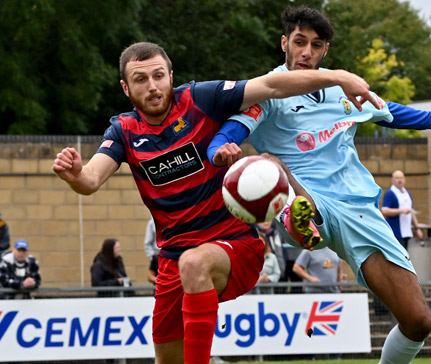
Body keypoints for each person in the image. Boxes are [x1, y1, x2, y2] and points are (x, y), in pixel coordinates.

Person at [52, 42, 381, 364]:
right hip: (172, 260)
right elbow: (91, 180)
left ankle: (288, 210)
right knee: (168, 358)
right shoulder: (124, 130)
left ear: (171, 75)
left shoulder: (200, 99)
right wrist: (75, 174)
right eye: (141, 80)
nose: (152, 87)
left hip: (235, 246)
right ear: (126, 87)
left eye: (159, 76)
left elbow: (271, 85)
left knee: (196, 262)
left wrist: (337, 76)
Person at [208, 6, 431, 363]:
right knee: (269, 165)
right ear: (284, 44)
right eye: (299, 42)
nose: (306, 51)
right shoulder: (269, 91)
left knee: (419, 321)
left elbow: (388, 111)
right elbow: (228, 133)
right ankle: (297, 216)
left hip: (359, 210)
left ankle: (305, 218)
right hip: (305, 199)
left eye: (316, 45)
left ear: (325, 51)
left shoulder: (341, 91)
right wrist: (219, 150)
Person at [381, 170, 423, 250]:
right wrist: (401, 211)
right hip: (396, 232)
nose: (399, 180)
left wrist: (417, 228)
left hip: (407, 231)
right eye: (397, 178)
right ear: (392, 180)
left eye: (401, 178)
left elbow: (411, 212)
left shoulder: (407, 193)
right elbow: (385, 210)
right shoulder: (390, 193)